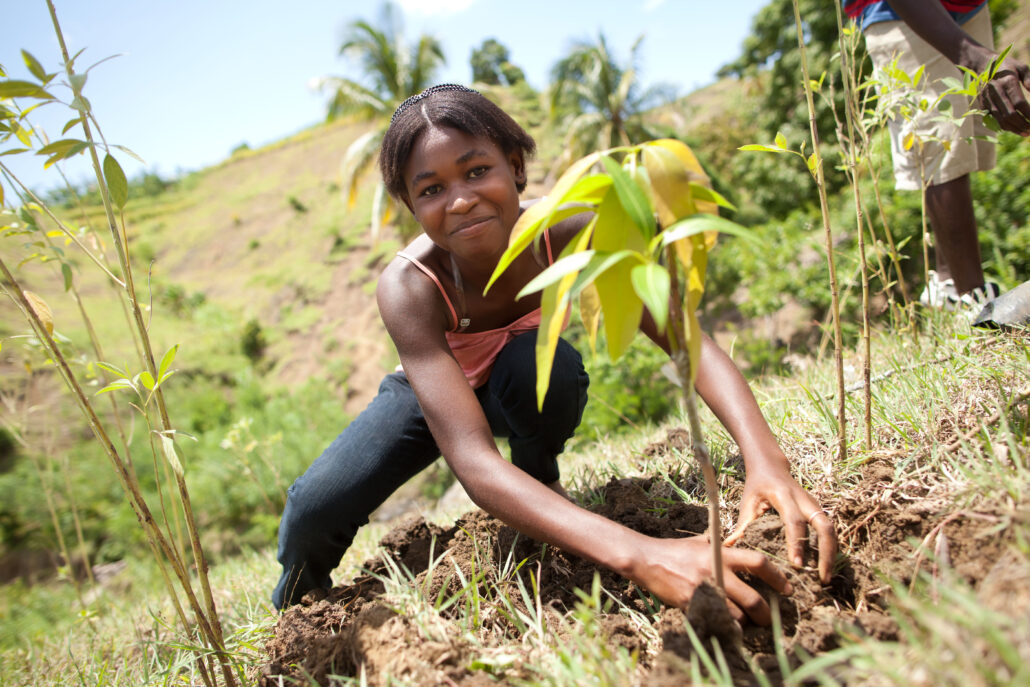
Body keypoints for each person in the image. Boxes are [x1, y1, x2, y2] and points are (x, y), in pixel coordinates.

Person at [272, 84, 838, 624]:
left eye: (477, 171)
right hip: (434, 396)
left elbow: (685, 340)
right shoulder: (409, 287)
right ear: (410, 206)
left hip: (523, 376)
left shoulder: (568, 228)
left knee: (545, 367)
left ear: (515, 166)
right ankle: (298, 604)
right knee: (313, 508)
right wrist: (640, 553)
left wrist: (766, 461)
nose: (462, 200)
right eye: (431, 190)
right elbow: (471, 462)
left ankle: (540, 481)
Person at [843, 0, 1030, 310]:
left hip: (966, 7)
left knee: (962, 141)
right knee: (940, 145)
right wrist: (979, 59)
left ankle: (949, 287)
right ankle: (977, 303)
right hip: (900, 12)